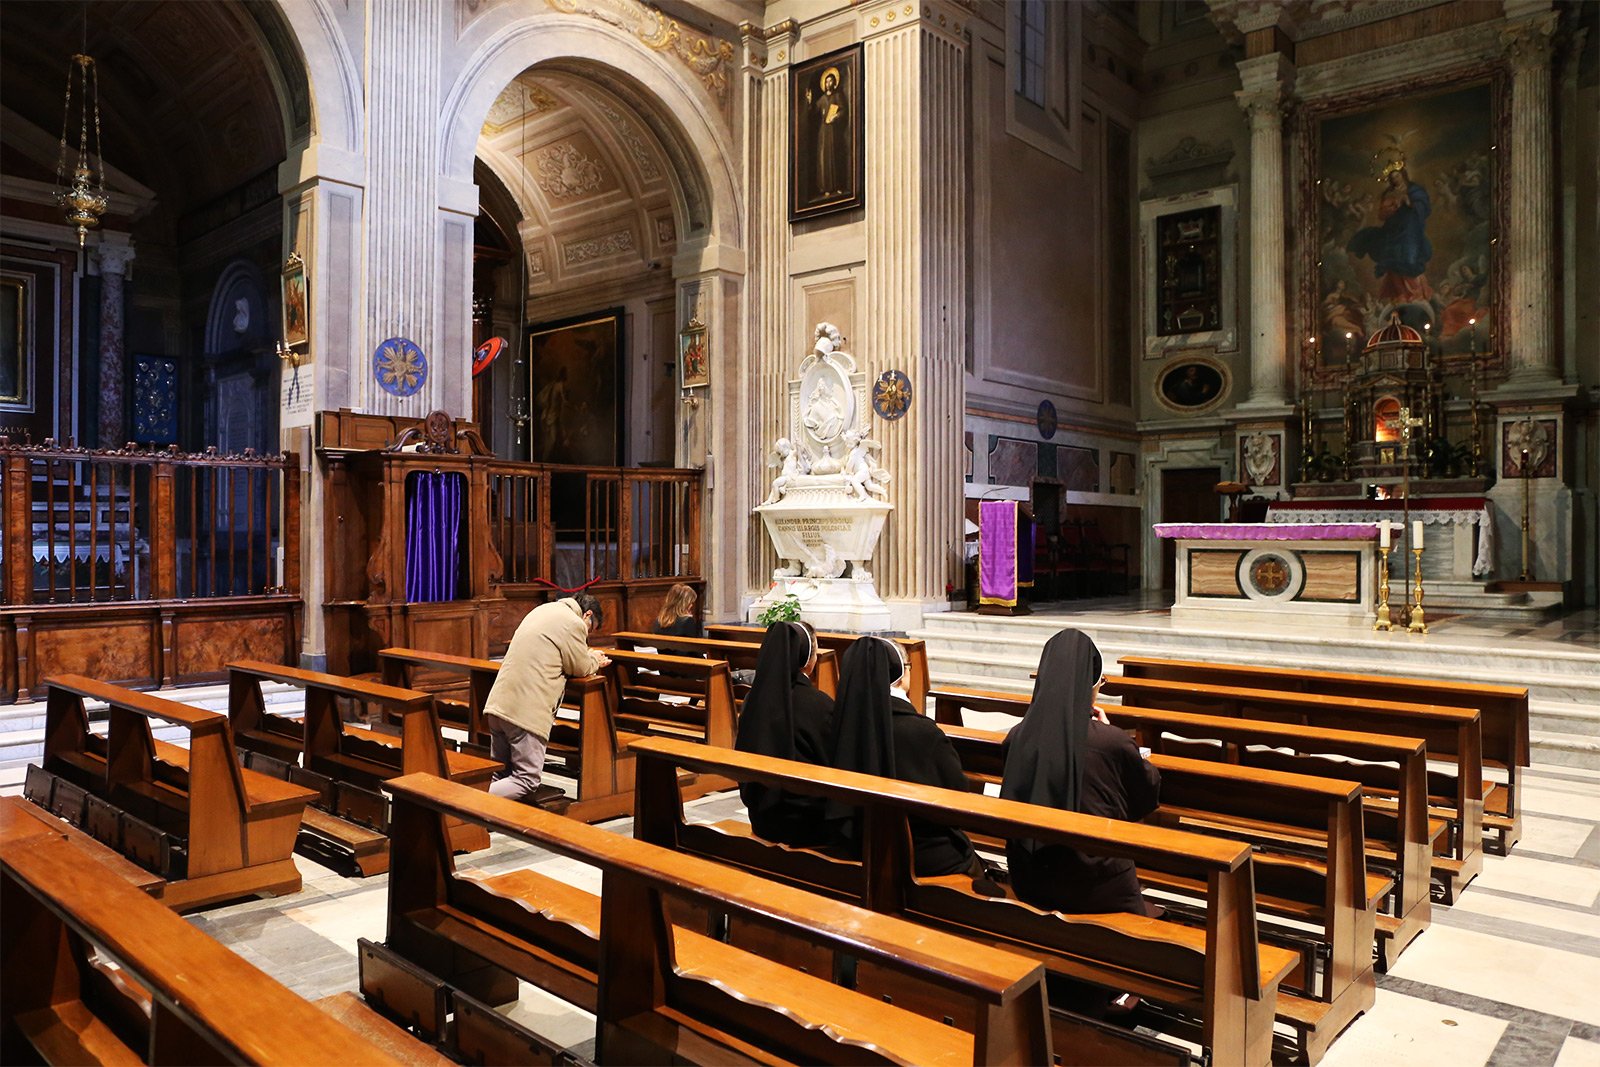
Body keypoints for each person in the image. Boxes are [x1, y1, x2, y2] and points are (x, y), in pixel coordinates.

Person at [1000, 628, 1161, 916]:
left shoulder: (1016, 737)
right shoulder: (1110, 742)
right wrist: (1113, 734)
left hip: (1030, 884)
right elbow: (1145, 799)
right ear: (1091, 685)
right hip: (1099, 895)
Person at [825, 637, 981, 879]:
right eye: (908, 666)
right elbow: (958, 797)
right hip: (922, 856)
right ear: (900, 674)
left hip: (854, 844)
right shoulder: (923, 732)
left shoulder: (841, 723)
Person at [480, 593, 610, 801]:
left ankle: (477, 822)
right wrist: (594, 659)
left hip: (499, 704)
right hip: (525, 712)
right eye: (590, 630)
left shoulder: (542, 610)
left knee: (502, 772)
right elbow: (580, 666)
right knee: (526, 779)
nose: (586, 636)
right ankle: (463, 808)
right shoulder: (573, 622)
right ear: (588, 615)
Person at [733, 621, 835, 846]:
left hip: (761, 817)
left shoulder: (753, 699)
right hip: (806, 824)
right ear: (808, 659)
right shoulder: (819, 705)